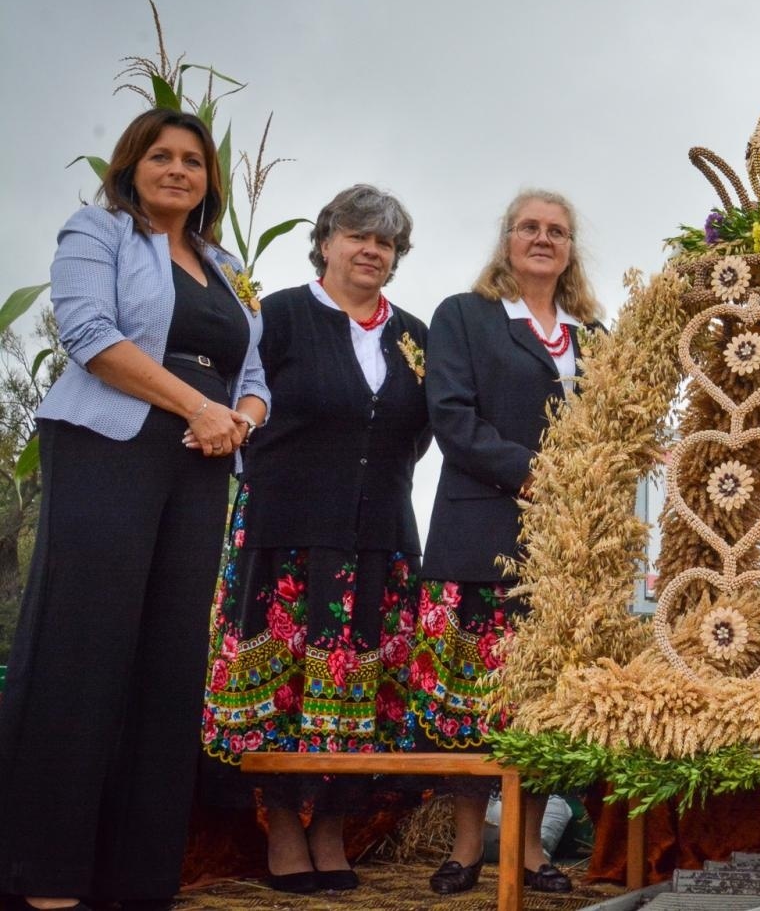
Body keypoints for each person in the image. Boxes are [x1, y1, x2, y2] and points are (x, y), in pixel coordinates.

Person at [0, 108, 268, 911]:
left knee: (169, 662)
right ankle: (45, 881)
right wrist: (198, 406)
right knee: (84, 651)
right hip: (110, 444)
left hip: (201, 459)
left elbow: (255, 374)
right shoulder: (99, 231)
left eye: (193, 160)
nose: (178, 170)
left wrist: (238, 420)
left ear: (209, 180)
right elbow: (88, 333)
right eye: (161, 156)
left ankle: (139, 885)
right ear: (131, 165)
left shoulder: (226, 267)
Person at [201, 185, 429, 894]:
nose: (371, 250)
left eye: (385, 242)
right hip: (287, 537)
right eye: (358, 235)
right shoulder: (277, 317)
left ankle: (331, 827)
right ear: (326, 242)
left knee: (360, 693)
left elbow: (418, 435)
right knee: (283, 691)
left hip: (380, 540)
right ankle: (283, 828)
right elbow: (239, 404)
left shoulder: (415, 335)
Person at [413, 188, 602, 896]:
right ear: (507, 240)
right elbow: (452, 417)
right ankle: (467, 847)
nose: (543, 238)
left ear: (571, 249)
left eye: (557, 230)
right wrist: (537, 473)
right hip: (479, 532)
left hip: (565, 547)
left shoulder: (595, 335)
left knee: (541, 702)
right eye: (529, 227)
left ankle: (527, 850)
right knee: (471, 701)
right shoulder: (464, 316)